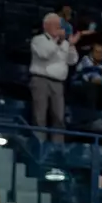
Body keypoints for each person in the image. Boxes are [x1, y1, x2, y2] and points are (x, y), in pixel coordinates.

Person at [29, 13, 80, 143]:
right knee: (40, 115)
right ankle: (39, 145)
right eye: (56, 25)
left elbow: (72, 60)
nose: (59, 27)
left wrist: (71, 45)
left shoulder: (64, 43)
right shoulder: (38, 40)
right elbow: (44, 54)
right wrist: (57, 41)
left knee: (59, 116)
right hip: (41, 80)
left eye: (59, 25)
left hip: (58, 83)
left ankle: (57, 148)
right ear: (46, 26)